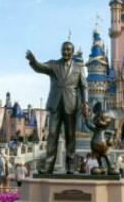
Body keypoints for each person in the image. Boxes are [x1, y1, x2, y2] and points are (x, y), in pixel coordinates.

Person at [26, 42, 90, 174]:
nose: (66, 52)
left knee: (70, 136)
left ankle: (70, 166)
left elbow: (84, 87)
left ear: (72, 52)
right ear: (60, 50)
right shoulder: (54, 64)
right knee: (52, 134)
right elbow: (40, 67)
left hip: (71, 105)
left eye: (68, 50)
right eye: (64, 49)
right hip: (55, 105)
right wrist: (33, 61)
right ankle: (48, 166)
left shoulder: (78, 68)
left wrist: (85, 103)